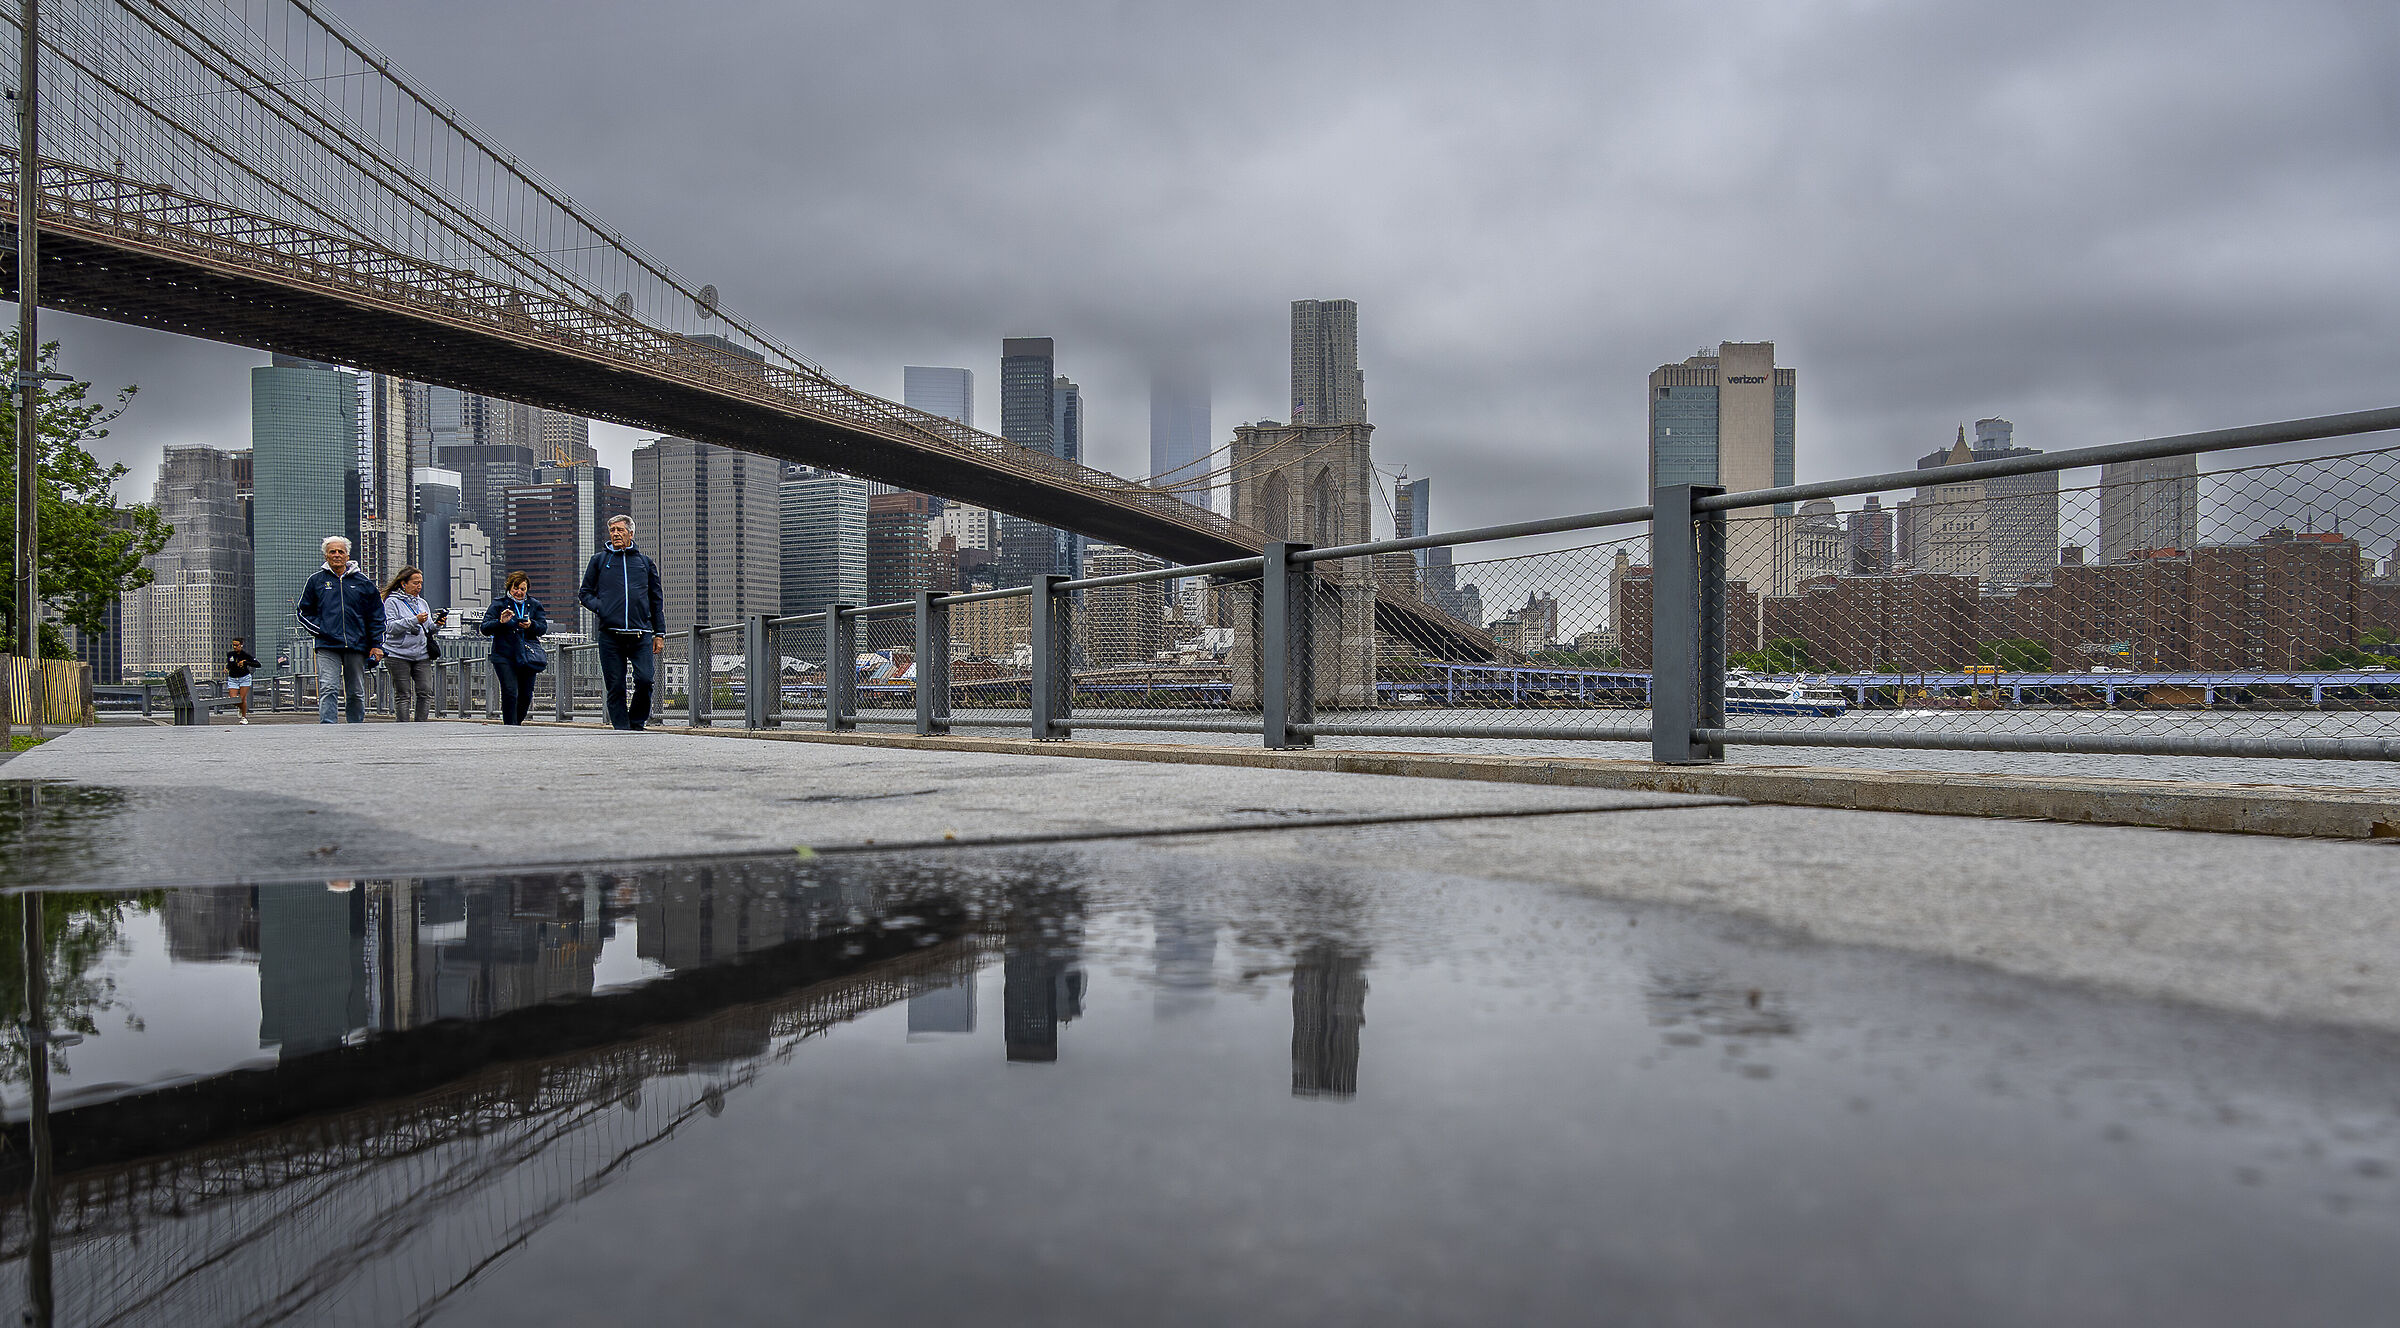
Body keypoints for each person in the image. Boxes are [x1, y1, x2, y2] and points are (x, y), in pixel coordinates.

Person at [579, 513, 665, 731]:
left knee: (645, 680)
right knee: (615, 686)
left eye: (620, 530)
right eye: (612, 530)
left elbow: (656, 600)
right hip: (610, 635)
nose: (616, 534)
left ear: (631, 533)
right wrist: (601, 607)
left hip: (641, 634)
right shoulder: (599, 561)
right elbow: (585, 593)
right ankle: (621, 728)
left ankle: (636, 723)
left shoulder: (645, 563)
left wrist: (659, 633)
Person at [295, 535, 384, 724]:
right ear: (326, 556)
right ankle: (328, 728)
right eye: (332, 552)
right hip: (327, 644)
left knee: (356, 691)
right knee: (328, 687)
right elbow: (303, 612)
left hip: (357, 645)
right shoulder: (316, 581)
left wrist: (376, 644)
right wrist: (321, 630)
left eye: (340, 552)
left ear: (347, 555)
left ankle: (356, 727)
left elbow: (376, 615)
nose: (336, 555)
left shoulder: (363, 582)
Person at [479, 570, 549, 726]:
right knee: (510, 691)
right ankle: (510, 725)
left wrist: (531, 625)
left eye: (522, 589)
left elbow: (543, 628)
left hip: (527, 655)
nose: (519, 592)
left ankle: (516, 723)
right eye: (516, 588)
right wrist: (501, 622)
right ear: (509, 588)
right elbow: (484, 628)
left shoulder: (534, 605)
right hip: (505, 655)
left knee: (526, 695)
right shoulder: (499, 604)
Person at [380, 566, 443, 722]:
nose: (419, 586)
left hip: (421, 654)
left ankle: (420, 725)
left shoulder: (422, 603)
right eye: (415, 583)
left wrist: (438, 625)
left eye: (421, 583)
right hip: (397, 654)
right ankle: (403, 727)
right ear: (403, 584)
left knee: (425, 691)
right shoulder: (391, 602)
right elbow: (390, 627)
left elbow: (428, 628)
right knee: (403, 694)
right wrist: (414, 620)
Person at [224, 636, 260, 725]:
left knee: (242, 698)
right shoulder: (230, 654)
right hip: (233, 678)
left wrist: (245, 662)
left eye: (236, 645)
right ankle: (240, 708)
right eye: (233, 645)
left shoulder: (246, 655)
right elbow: (230, 664)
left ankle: (244, 717)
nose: (235, 647)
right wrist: (227, 668)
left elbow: (258, 664)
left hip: (244, 678)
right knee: (233, 699)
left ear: (241, 645)